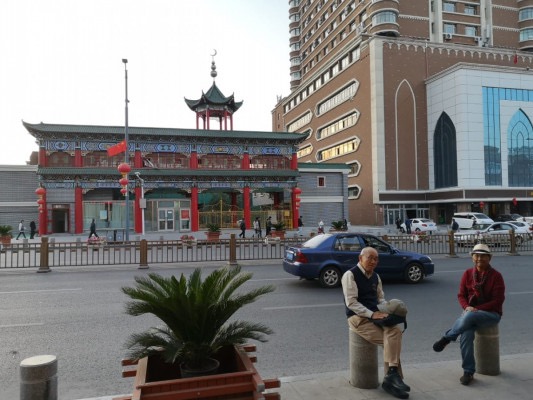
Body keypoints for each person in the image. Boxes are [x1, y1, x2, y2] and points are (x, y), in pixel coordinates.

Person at [342, 247, 410, 399]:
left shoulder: (376, 277)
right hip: (358, 318)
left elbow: (380, 299)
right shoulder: (350, 275)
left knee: (395, 332)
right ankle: (392, 380)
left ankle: (391, 376)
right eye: (370, 258)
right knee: (390, 341)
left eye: (376, 259)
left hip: (376, 316)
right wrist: (371, 314)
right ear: (360, 258)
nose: (373, 261)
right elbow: (351, 303)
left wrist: (387, 311)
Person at [432, 243, 505, 386]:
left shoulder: (496, 276)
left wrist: (476, 309)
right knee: (466, 335)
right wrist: (467, 307)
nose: (479, 259)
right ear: (472, 258)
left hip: (491, 314)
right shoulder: (467, 274)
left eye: (483, 256)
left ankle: (448, 337)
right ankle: (468, 371)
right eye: (476, 255)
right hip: (470, 313)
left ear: (489, 258)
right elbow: (461, 295)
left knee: (469, 316)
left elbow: (498, 301)